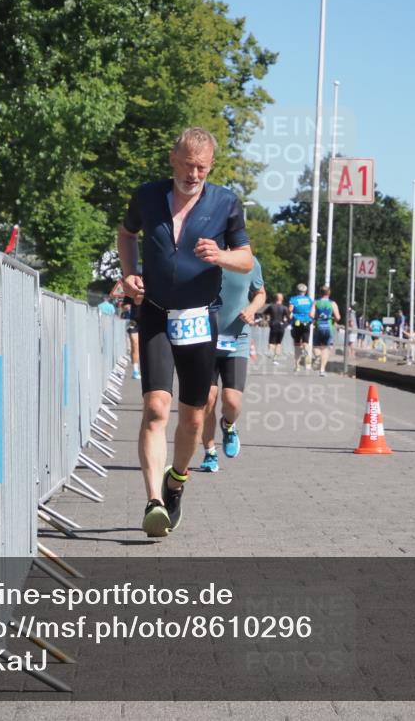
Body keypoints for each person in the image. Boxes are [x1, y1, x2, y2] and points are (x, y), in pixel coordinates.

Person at [117, 127, 253, 537]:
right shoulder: (146, 196)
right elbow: (127, 234)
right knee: (157, 408)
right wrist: (128, 274)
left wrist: (222, 255)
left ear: (210, 167)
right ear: (173, 159)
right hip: (156, 312)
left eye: (202, 167)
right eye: (187, 165)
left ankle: (175, 482)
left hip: (198, 317)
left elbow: (246, 259)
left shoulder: (226, 203)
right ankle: (153, 502)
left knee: (193, 420)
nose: (194, 174)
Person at [200, 257, 265, 472]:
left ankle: (228, 425)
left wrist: (252, 308)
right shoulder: (204, 258)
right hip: (204, 338)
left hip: (237, 339)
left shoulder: (248, 262)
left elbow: (260, 293)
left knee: (232, 401)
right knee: (208, 399)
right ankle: (209, 452)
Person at [309, 285, 341, 376]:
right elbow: (338, 317)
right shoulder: (332, 303)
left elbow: (311, 315)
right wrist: (333, 319)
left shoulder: (316, 302)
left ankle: (317, 356)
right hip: (328, 327)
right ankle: (322, 370)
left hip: (319, 326)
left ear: (320, 293)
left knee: (316, 346)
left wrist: (316, 318)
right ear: (329, 293)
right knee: (326, 349)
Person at [288, 283, 314, 372]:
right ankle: (307, 361)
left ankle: (297, 365)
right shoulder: (309, 300)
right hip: (307, 322)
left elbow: (290, 309)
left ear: (297, 291)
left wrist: (289, 315)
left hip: (297, 322)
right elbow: (312, 311)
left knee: (297, 345)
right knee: (306, 343)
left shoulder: (294, 299)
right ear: (305, 291)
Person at [262, 292, 289, 364]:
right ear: (282, 299)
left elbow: (264, 313)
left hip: (273, 325)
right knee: (279, 343)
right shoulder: (284, 308)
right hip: (281, 325)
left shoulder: (271, 306)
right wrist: (285, 324)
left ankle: (270, 352)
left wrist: (266, 320)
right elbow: (289, 318)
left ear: (275, 298)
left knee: (271, 342)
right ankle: (275, 359)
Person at [122, 298, 140, 379]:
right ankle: (135, 371)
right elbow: (124, 305)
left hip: (147, 320)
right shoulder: (132, 287)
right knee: (134, 344)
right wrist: (127, 307)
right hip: (133, 321)